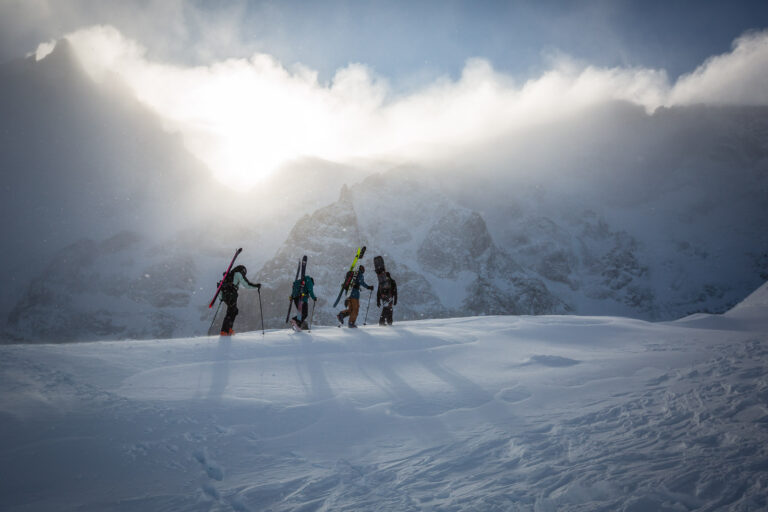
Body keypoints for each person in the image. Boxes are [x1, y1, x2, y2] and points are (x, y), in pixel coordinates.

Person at [219, 265, 261, 335]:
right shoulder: (238, 273)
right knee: (232, 311)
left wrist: (221, 298)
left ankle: (227, 329)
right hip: (231, 294)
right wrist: (256, 286)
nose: (244, 274)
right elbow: (246, 284)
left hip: (226, 295)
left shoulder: (230, 275)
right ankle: (225, 331)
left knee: (232, 310)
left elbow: (221, 288)